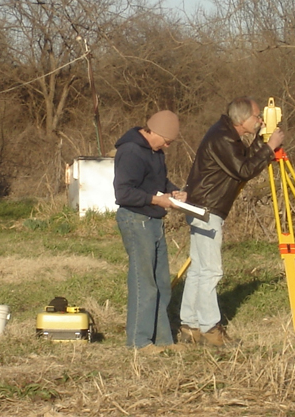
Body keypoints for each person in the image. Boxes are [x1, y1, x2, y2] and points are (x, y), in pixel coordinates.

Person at [179, 97, 285, 347]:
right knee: (210, 271)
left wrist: (261, 143)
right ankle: (210, 330)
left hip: (202, 206)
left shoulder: (226, 134)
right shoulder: (223, 138)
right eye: (257, 117)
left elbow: (242, 159)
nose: (260, 120)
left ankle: (190, 325)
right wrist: (270, 148)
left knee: (198, 269)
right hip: (207, 209)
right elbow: (244, 170)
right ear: (241, 119)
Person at [113, 110, 187, 354]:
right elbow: (123, 194)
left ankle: (163, 339)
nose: (167, 146)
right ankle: (139, 341)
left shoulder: (156, 153)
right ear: (153, 132)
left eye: (170, 143)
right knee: (144, 282)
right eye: (166, 141)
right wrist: (157, 201)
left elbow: (160, 183)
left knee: (162, 283)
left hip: (154, 221)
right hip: (136, 221)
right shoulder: (130, 151)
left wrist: (175, 192)